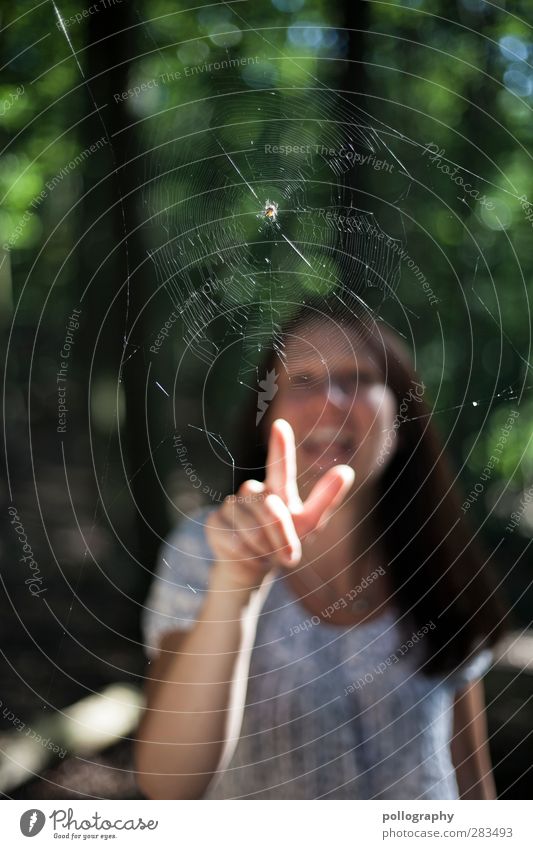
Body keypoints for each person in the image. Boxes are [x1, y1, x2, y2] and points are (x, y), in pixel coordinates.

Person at [134, 298, 508, 800]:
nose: (330, 399)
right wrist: (235, 591)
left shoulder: (434, 556)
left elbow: (468, 781)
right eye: (302, 379)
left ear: (401, 419)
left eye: (357, 377)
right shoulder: (206, 549)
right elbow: (167, 784)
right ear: (266, 416)